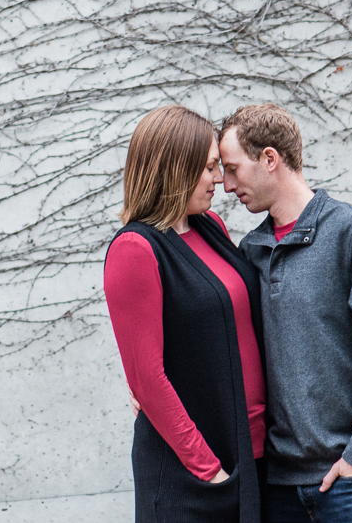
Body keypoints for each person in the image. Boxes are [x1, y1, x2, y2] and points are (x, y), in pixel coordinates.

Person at [217, 103, 352, 523]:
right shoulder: (249, 254)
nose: (226, 185)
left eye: (233, 169)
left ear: (269, 159)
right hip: (280, 492)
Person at [104, 105, 267, 523]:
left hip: (251, 459)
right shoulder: (135, 249)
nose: (219, 179)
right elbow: (147, 377)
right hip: (194, 480)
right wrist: (208, 471)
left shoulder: (210, 226)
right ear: (174, 167)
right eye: (209, 167)